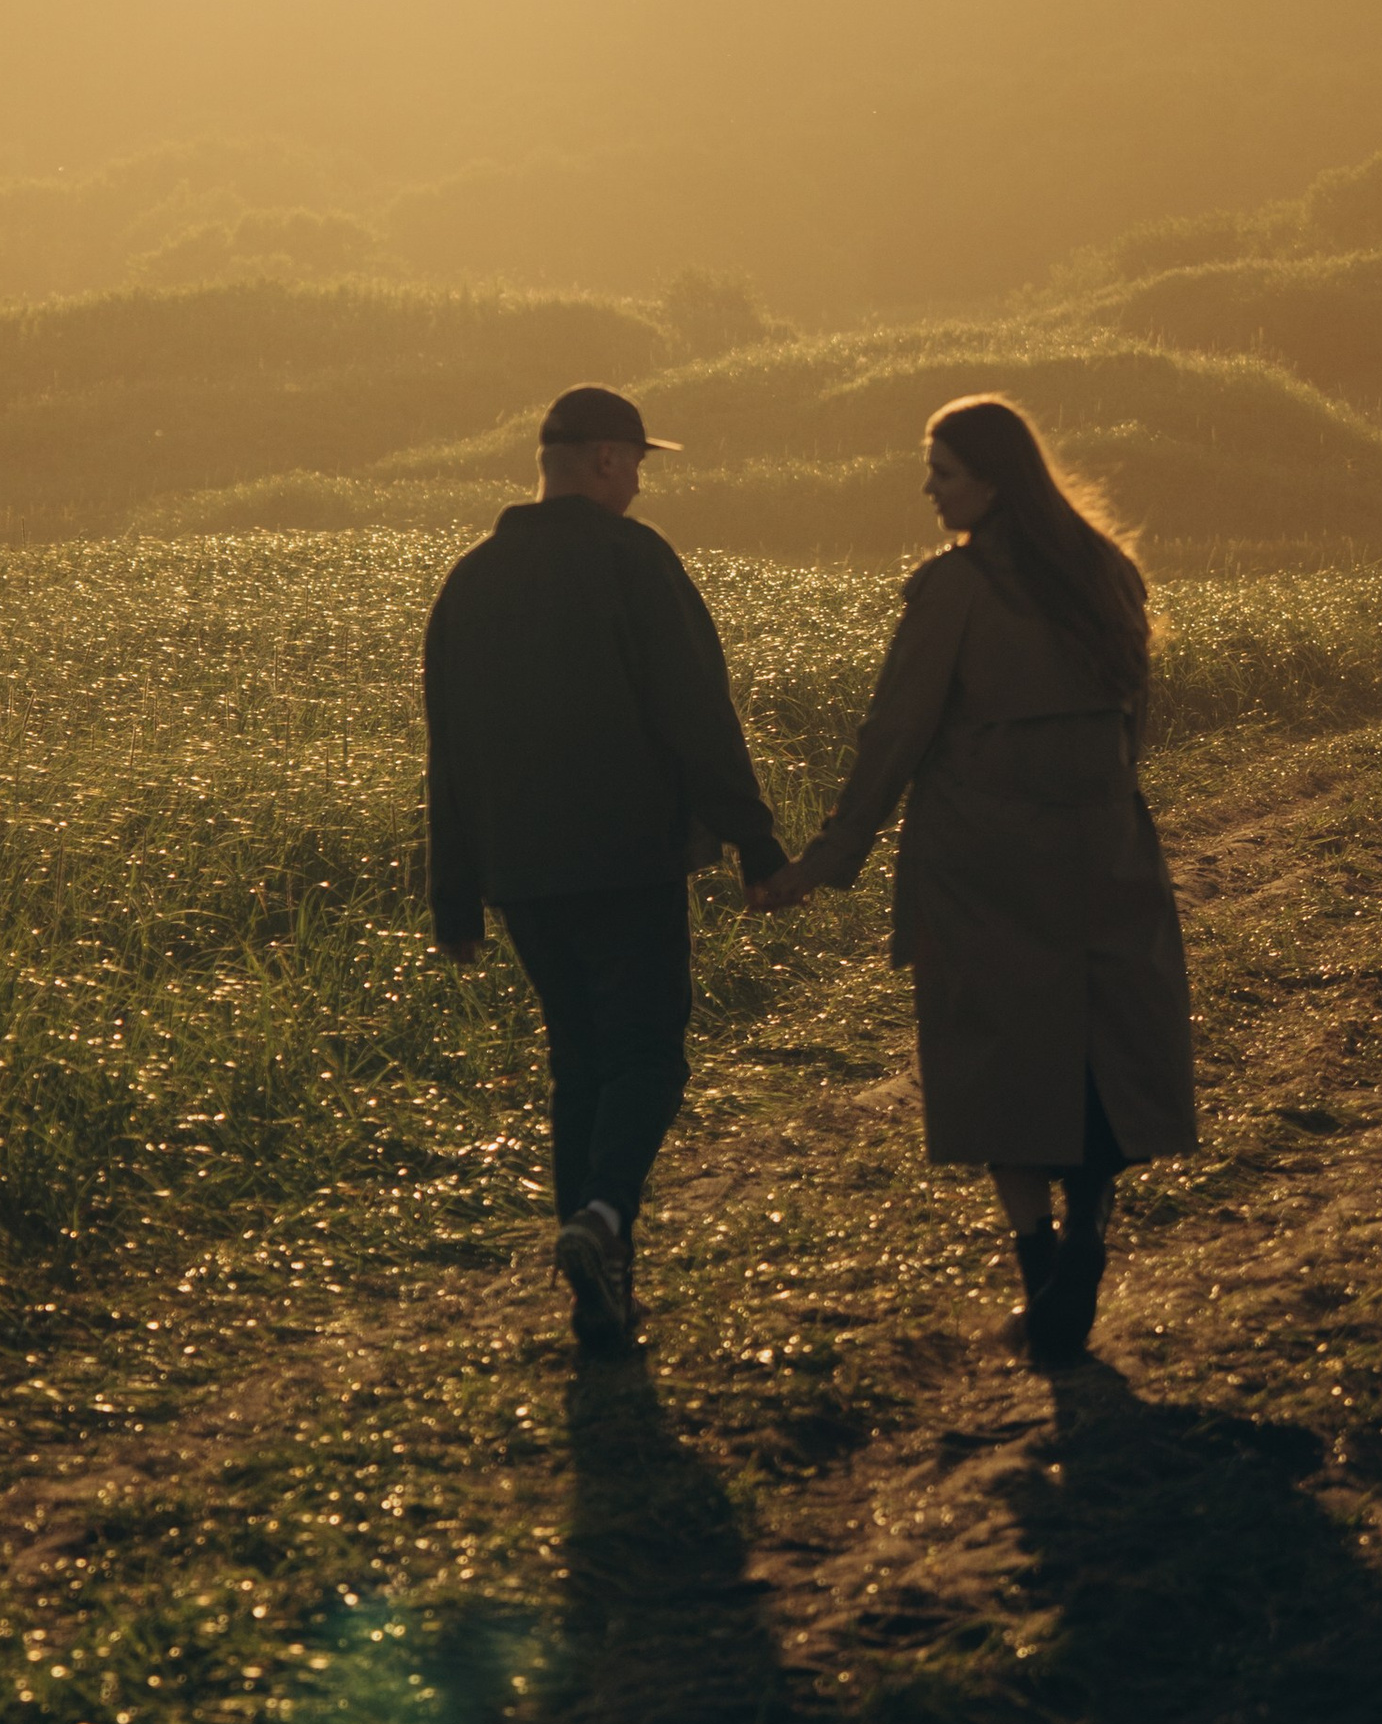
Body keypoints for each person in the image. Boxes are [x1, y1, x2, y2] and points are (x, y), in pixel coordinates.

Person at [752, 395, 1195, 1362]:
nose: (927, 488)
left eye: (942, 471)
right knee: (1098, 1051)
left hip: (985, 863)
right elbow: (1135, 722)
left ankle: (1043, 1273)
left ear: (993, 482)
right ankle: (1085, 1246)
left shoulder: (954, 589)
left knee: (1000, 1060)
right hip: (1104, 848)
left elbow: (895, 736)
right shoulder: (1108, 572)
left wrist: (824, 861)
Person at [424, 382, 788, 1355]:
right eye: (633, 463)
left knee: (577, 1064)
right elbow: (695, 711)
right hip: (627, 859)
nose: (636, 482)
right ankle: (603, 1219)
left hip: (520, 876)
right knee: (647, 1056)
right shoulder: (634, 560)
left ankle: (600, 1297)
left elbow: (447, 751)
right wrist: (753, 841)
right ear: (601, 461)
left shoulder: (469, 581)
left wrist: (453, 896)